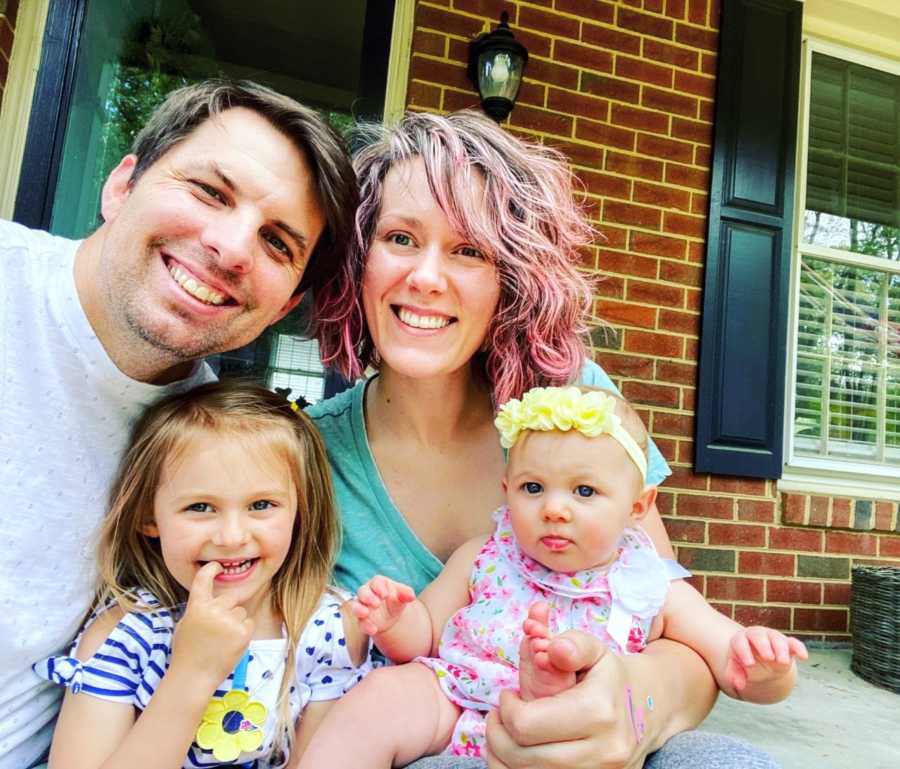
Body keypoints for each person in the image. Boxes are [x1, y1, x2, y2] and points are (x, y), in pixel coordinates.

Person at [307, 110, 781, 769]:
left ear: (513, 277)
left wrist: (632, 703)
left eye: (469, 249)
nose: (426, 277)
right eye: (399, 237)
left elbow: (676, 635)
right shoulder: (307, 458)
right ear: (358, 259)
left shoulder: (571, 407)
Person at [0, 80, 357, 769]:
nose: (229, 247)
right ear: (121, 184)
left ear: (285, 304)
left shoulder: (214, 445)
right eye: (209, 191)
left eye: (278, 243)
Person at [300, 386, 808, 766]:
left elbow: (728, 661)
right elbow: (426, 635)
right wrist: (395, 619)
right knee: (382, 695)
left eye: (584, 492)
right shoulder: (485, 556)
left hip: (590, 737)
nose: (555, 509)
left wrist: (766, 668)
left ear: (637, 507)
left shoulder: (651, 583)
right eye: (533, 487)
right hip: (462, 702)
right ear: (506, 489)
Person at [33, 380, 371, 769]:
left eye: (261, 504)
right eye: (200, 507)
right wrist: (192, 672)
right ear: (148, 516)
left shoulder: (325, 628)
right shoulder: (127, 636)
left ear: (301, 509)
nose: (232, 537)